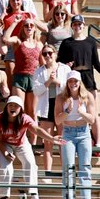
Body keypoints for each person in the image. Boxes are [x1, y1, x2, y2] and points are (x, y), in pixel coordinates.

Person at [0, 95, 55, 199]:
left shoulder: (25, 118)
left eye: (16, 106)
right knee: (6, 168)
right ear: (6, 107)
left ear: (20, 108)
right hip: (4, 144)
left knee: (30, 163)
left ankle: (34, 197)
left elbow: (36, 129)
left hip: (21, 143)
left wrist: (51, 138)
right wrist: (5, 153)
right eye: (10, 105)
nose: (13, 108)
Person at [56, 15, 100, 145]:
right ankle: (68, 140)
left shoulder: (91, 42)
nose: (77, 26)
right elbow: (59, 61)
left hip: (88, 77)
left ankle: (98, 143)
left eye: (79, 24)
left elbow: (96, 63)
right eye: (75, 24)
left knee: (94, 112)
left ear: (83, 25)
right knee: (69, 110)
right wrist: (66, 65)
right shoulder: (66, 42)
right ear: (72, 26)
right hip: (73, 78)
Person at [56, 70, 95, 199]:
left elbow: (92, 119)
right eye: (70, 81)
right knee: (68, 167)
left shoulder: (88, 96)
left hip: (84, 133)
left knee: (85, 167)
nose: (73, 83)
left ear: (80, 82)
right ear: (67, 83)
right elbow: (57, 120)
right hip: (68, 133)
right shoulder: (61, 98)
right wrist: (68, 111)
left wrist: (81, 112)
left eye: (75, 81)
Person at [29, 45, 69, 175]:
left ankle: (66, 173)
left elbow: (70, 87)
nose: (47, 56)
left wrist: (56, 81)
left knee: (63, 141)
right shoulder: (39, 71)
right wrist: (48, 82)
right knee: (48, 142)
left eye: (50, 53)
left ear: (55, 54)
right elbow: (36, 91)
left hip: (61, 106)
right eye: (44, 54)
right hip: (46, 107)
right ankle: (48, 174)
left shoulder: (65, 68)